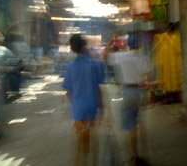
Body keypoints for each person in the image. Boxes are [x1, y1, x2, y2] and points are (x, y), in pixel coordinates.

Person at [108, 32, 153, 165]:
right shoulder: (144, 58)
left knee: (131, 126)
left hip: (127, 91)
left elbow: (106, 53)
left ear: (127, 44)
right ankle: (144, 152)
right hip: (139, 91)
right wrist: (148, 96)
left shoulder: (120, 57)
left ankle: (135, 155)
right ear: (140, 45)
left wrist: (113, 39)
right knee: (141, 123)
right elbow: (147, 79)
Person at [62, 34, 105, 166]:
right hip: (92, 107)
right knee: (93, 139)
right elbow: (98, 88)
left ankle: (80, 162)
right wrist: (102, 107)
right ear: (84, 46)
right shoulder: (95, 64)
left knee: (81, 143)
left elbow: (68, 91)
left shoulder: (70, 67)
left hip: (79, 110)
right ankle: (94, 163)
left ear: (73, 48)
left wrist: (74, 105)